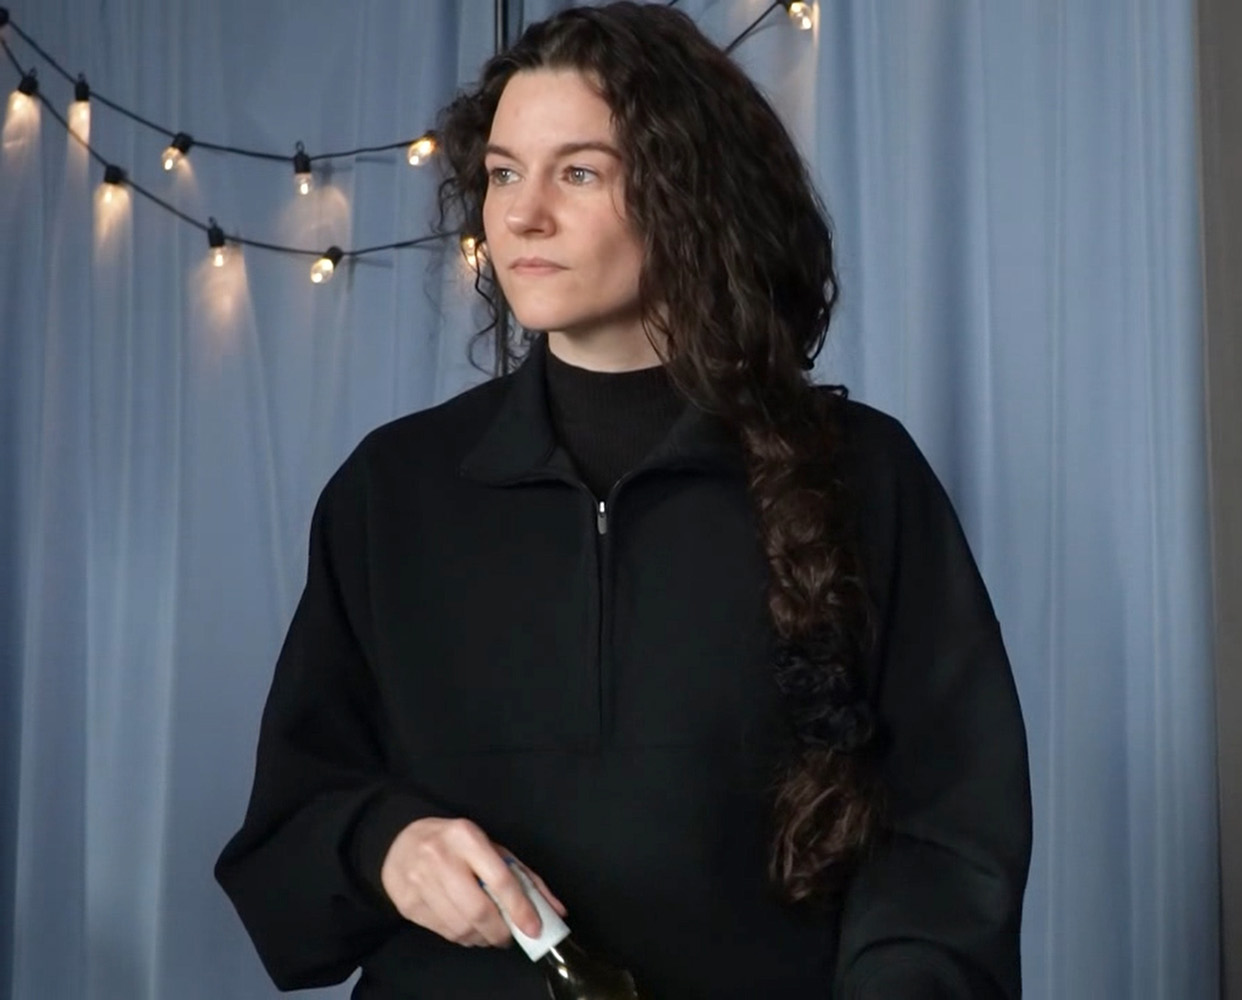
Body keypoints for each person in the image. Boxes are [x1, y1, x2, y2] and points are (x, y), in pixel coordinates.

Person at [214, 4, 1031, 998]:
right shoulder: (394, 490)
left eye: (579, 172)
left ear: (691, 196)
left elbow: (948, 832)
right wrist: (386, 846)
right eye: (504, 172)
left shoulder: (862, 473)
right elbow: (290, 824)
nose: (520, 215)